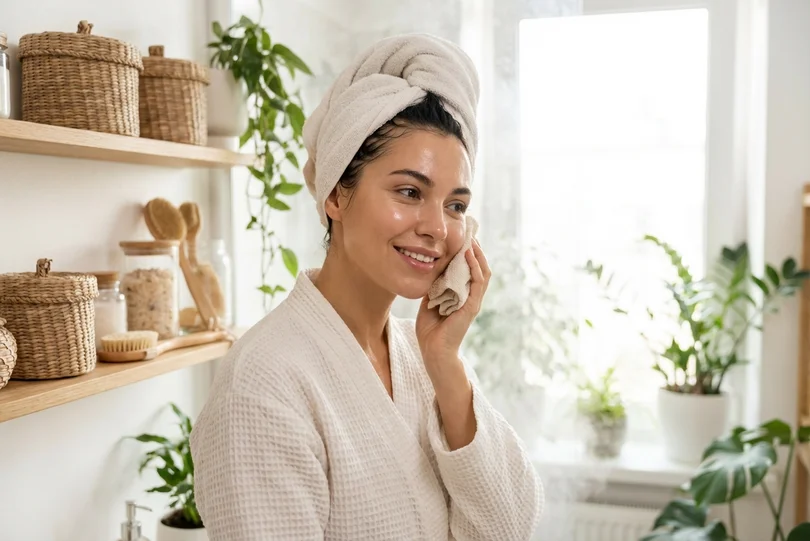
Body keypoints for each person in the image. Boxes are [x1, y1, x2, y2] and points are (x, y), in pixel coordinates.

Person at [190, 33, 544, 541]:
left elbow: (509, 528)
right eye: (409, 191)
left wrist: (446, 364)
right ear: (336, 193)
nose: (438, 229)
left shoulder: (420, 357)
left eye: (456, 205)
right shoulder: (263, 383)